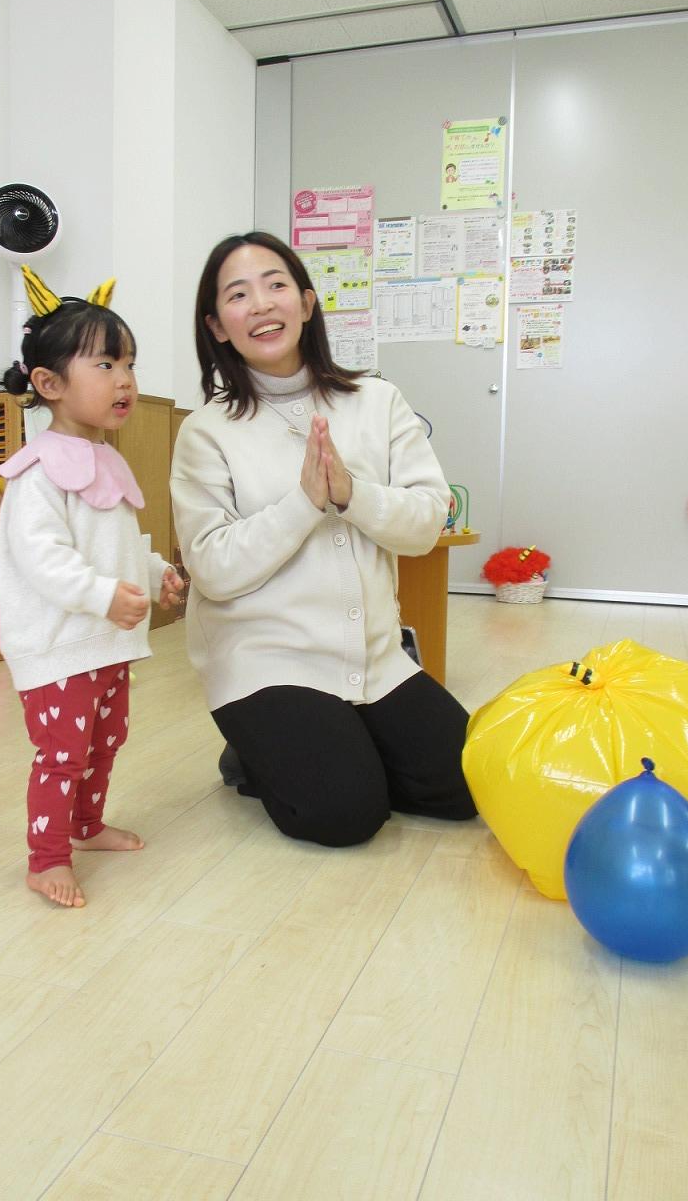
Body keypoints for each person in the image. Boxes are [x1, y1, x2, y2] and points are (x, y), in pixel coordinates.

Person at [170, 231, 476, 848]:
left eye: (276, 285)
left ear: (307, 303)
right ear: (218, 326)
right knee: (345, 814)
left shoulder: (378, 401)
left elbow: (425, 523)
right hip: (267, 662)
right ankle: (255, 752)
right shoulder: (205, 431)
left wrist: (350, 495)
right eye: (238, 294)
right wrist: (305, 503)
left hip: (375, 657)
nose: (261, 304)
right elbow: (212, 568)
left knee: (469, 787)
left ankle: (338, 744)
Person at [0, 266, 184, 907]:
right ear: (49, 384)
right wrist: (103, 596)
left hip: (104, 645)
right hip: (59, 648)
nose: (124, 379)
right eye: (105, 364)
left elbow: (116, 546)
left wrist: (154, 574)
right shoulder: (37, 475)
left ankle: (87, 825)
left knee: (105, 744)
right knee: (63, 755)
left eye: (128, 363)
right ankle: (46, 859)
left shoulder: (106, 458)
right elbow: (44, 560)